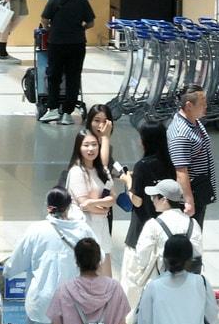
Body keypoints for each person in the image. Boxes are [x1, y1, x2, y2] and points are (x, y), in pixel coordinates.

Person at [5, 187, 95, 324]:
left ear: (48, 206)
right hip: (76, 301)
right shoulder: (83, 230)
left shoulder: (36, 230)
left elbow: (14, 265)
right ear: (69, 207)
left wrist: (6, 269)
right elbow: (96, 262)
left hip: (43, 301)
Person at [124, 179, 203, 311]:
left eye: (154, 196)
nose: (152, 199)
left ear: (164, 200)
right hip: (189, 287)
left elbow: (141, 259)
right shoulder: (193, 224)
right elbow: (197, 254)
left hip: (162, 287)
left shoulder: (153, 225)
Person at [39, 0, 96, 124]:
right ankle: (67, 113)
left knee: (54, 76)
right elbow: (90, 23)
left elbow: (44, 19)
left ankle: (52, 109)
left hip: (56, 43)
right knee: (73, 77)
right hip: (77, 44)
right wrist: (80, 28)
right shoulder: (82, 1)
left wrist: (50, 29)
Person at [123, 120, 175, 281]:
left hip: (140, 229)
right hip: (165, 228)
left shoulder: (142, 166)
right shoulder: (170, 164)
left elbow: (137, 201)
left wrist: (128, 182)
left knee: (133, 281)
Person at [64, 129, 116, 276]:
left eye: (94, 144)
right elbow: (83, 203)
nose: (91, 149)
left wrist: (94, 204)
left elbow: (112, 198)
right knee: (86, 274)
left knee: (105, 275)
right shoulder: (76, 172)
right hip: (84, 229)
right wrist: (102, 206)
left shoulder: (102, 171)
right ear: (78, 148)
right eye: (86, 145)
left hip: (101, 227)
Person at [168, 84, 218, 223]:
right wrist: (189, 201)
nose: (206, 106)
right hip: (190, 195)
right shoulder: (181, 133)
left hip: (200, 191)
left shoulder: (195, 122)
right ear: (189, 106)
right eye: (202, 104)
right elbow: (181, 171)